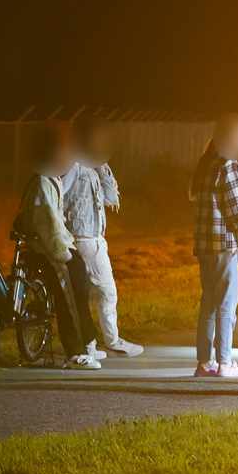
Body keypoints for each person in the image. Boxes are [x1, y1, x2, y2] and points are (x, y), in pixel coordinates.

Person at [15, 122, 99, 370]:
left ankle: (87, 343)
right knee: (70, 293)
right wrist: (64, 252)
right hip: (49, 250)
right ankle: (77, 351)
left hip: (54, 245)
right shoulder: (43, 181)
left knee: (80, 288)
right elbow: (48, 223)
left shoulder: (49, 178)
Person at [62, 118, 144, 358]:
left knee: (89, 293)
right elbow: (60, 193)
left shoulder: (93, 166)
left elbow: (111, 198)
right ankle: (110, 340)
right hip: (83, 237)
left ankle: (92, 344)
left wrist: (103, 167)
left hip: (96, 237)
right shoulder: (74, 166)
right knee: (105, 291)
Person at [190, 113, 238, 378]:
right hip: (224, 245)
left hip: (204, 245)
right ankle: (225, 361)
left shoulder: (205, 166)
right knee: (227, 304)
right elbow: (236, 210)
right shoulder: (228, 166)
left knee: (209, 303)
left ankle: (205, 362)